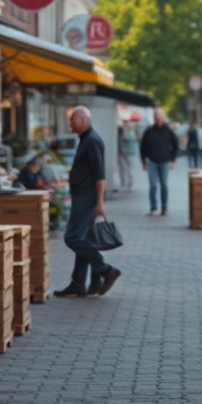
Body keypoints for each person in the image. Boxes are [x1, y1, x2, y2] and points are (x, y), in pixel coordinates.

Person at [54, 106, 121, 299]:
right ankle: (80, 283)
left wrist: (99, 201)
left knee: (72, 238)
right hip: (83, 196)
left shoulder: (92, 140)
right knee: (83, 238)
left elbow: (99, 174)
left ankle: (105, 270)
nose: (70, 124)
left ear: (83, 119)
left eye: (72, 120)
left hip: (87, 197)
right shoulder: (86, 138)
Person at [139, 108, 177, 216]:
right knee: (153, 185)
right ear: (154, 119)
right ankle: (153, 207)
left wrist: (172, 159)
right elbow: (143, 147)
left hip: (165, 162)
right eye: (156, 117)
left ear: (163, 118)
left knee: (164, 184)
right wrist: (143, 162)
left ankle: (164, 206)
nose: (158, 119)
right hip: (152, 162)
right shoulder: (149, 131)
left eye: (160, 117)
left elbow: (175, 145)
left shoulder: (168, 131)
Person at [117, 120, 138, 191]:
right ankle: (124, 183)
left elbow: (125, 138)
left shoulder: (130, 133)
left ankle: (129, 183)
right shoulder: (124, 132)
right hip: (123, 152)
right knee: (123, 169)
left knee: (128, 169)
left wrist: (124, 130)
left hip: (128, 153)